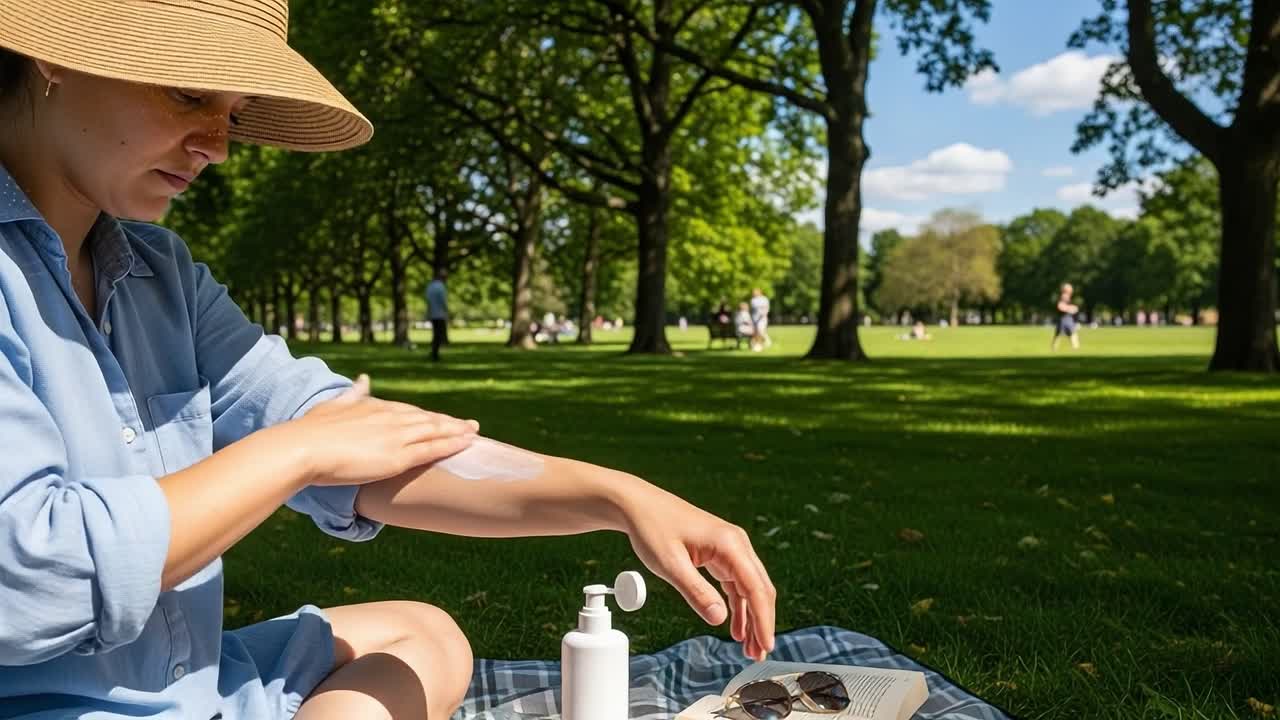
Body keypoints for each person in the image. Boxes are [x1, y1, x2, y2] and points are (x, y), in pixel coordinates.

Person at [0, 5, 776, 720]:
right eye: (188, 95)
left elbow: (356, 440)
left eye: (233, 113)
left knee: (423, 636)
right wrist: (299, 452)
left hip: (194, 687)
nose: (220, 145)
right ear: (53, 57)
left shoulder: (160, 272)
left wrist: (618, 497)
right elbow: (35, 578)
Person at [425, 268, 449, 362]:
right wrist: (447, 311)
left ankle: (434, 352)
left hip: (433, 314)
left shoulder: (430, 286)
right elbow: (443, 301)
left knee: (435, 334)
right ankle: (435, 354)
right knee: (439, 335)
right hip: (440, 314)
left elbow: (428, 301)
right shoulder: (441, 287)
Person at [1051, 282, 1081, 350]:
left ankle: (1075, 347)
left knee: (1062, 334)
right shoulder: (1064, 296)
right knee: (1069, 333)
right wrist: (1071, 309)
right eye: (1070, 288)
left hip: (1066, 318)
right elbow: (1060, 306)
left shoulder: (1066, 296)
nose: (1072, 290)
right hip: (1065, 318)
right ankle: (1075, 347)